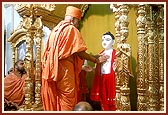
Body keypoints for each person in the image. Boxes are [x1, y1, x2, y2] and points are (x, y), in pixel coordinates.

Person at [41, 6, 109, 111]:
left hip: (52, 69)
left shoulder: (55, 30)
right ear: (73, 19)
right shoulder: (71, 28)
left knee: (58, 97)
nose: (78, 25)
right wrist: (95, 59)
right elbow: (80, 52)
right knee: (68, 98)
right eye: (78, 21)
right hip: (64, 69)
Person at [90, 32, 117, 111]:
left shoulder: (116, 54)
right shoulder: (100, 54)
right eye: (103, 40)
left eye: (108, 40)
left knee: (113, 101)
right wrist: (92, 69)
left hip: (112, 79)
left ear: (113, 42)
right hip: (102, 78)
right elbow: (98, 69)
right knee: (103, 99)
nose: (104, 42)